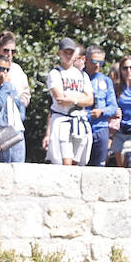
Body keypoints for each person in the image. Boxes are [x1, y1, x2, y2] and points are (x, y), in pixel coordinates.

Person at [45, 38, 94, 166]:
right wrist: (80, 96)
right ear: (59, 53)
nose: (68, 56)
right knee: (65, 162)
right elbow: (60, 98)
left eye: (71, 53)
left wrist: (72, 99)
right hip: (62, 120)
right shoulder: (55, 74)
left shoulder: (83, 76)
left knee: (76, 162)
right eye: (65, 52)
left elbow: (90, 100)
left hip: (80, 121)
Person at [84, 46, 117, 166]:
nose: (98, 65)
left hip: (101, 129)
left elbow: (113, 107)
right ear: (86, 60)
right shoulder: (78, 77)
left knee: (98, 167)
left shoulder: (106, 81)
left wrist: (102, 112)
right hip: (82, 127)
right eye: (94, 61)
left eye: (101, 62)